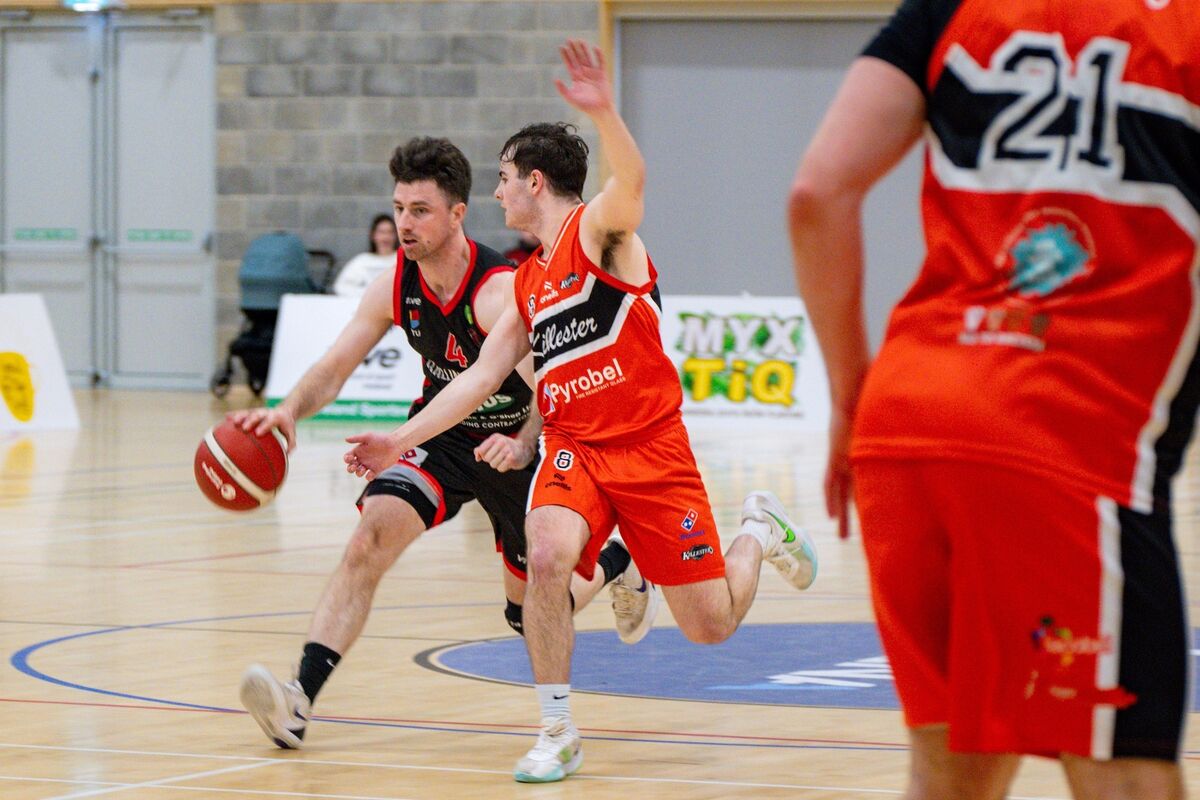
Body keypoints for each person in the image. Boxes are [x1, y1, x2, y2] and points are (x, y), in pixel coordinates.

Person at [343, 40, 819, 784]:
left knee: (711, 623)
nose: (498, 194)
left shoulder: (601, 232)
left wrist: (602, 113)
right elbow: (476, 381)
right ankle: (557, 729)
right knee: (547, 551)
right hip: (575, 448)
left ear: (536, 182)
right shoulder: (526, 280)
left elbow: (632, 178)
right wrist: (398, 442)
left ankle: (757, 527)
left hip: (652, 448)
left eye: (504, 180)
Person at [789, 1, 1194, 798]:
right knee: (1124, 769)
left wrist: (849, 394)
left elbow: (817, 192)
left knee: (952, 771)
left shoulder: (951, 9)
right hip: (1072, 439)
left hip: (908, 423)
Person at [233, 136, 658, 751]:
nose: (405, 223)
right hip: (443, 435)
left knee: (533, 612)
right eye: (400, 208)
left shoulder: (498, 292)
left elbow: (555, 383)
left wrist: (523, 440)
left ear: (457, 213)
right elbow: (337, 362)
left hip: (515, 445)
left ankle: (619, 562)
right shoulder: (393, 285)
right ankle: (299, 701)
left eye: (421, 210)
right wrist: (289, 411)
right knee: (368, 539)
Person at [331, 214, 399, 297]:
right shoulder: (362, 260)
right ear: (373, 235)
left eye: (390, 232)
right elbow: (341, 287)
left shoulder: (402, 260)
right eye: (382, 232)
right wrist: (371, 295)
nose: (386, 237)